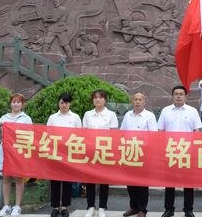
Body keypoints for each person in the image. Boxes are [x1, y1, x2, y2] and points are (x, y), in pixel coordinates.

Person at [158, 85, 202, 217]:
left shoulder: (192, 111)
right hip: (170, 151)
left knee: (188, 182)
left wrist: (195, 150)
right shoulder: (166, 111)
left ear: (186, 96)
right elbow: (160, 131)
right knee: (169, 182)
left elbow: (197, 131)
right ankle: (169, 209)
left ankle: (188, 209)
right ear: (172, 96)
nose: (178, 96)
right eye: (176, 94)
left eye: (181, 94)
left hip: (187, 151)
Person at [82, 89, 119, 217]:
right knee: (90, 180)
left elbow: (114, 134)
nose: (97, 99)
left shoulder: (111, 115)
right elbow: (84, 133)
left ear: (105, 100)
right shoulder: (88, 114)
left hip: (105, 152)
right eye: (95, 97)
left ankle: (102, 207)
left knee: (104, 180)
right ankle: (91, 207)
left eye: (100, 97)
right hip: (90, 151)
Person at [121, 92, 158, 217]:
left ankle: (142, 209)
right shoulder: (127, 115)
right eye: (135, 99)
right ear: (132, 101)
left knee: (142, 182)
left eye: (140, 99)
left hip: (143, 152)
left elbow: (153, 135)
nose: (137, 102)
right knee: (130, 181)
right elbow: (122, 132)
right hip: (129, 151)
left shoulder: (149, 116)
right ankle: (134, 207)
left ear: (144, 101)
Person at [0, 93, 33, 217]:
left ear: (22, 104)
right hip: (6, 152)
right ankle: (6, 206)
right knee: (6, 178)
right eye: (13, 102)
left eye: (18, 102)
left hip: (19, 152)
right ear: (10, 103)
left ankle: (17, 206)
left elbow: (30, 136)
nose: (16, 104)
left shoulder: (26, 119)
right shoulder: (4, 118)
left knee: (18, 178)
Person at [47, 93, 82, 217]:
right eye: (62, 102)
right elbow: (47, 134)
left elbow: (80, 135)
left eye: (66, 103)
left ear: (70, 104)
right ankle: (56, 207)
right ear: (58, 103)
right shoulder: (52, 117)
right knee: (55, 180)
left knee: (67, 181)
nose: (64, 105)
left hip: (69, 153)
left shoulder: (75, 117)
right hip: (55, 153)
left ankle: (65, 207)